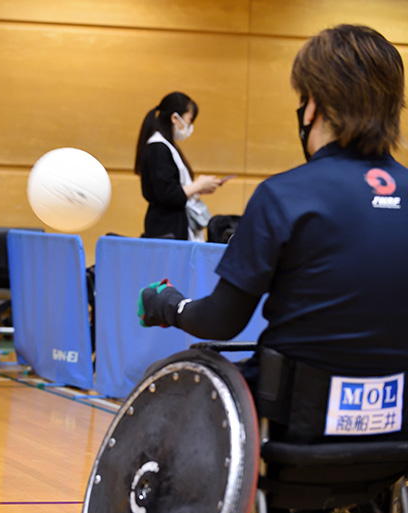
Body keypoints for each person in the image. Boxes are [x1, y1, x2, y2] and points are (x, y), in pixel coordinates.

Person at [138, 25, 407, 444]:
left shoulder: (284, 195)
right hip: (396, 436)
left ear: (313, 105)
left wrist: (169, 305)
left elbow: (221, 321)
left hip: (293, 428)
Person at [134, 92, 222, 241]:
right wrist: (198, 185)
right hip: (166, 230)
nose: (190, 126)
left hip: (173, 227)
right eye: (190, 120)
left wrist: (200, 187)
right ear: (175, 118)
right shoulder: (158, 148)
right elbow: (167, 194)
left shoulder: (167, 146)